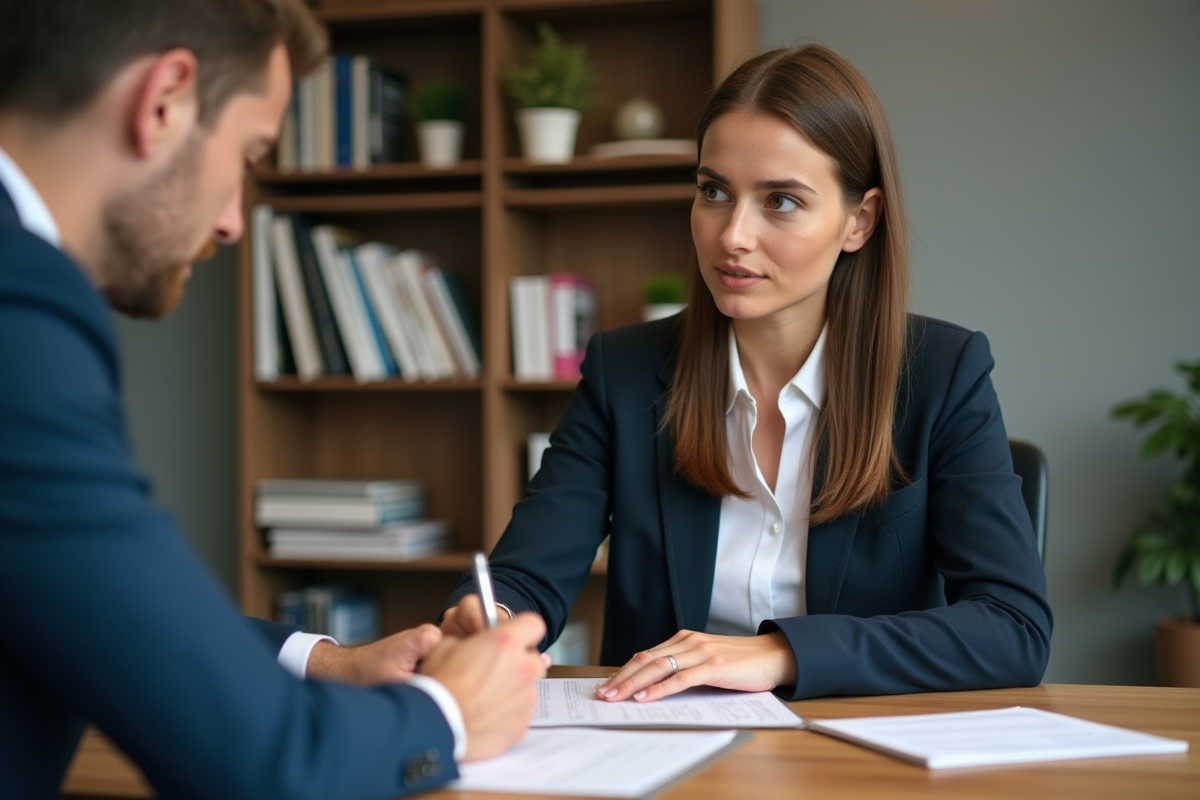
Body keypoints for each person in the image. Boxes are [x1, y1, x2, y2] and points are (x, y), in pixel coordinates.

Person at [0, 2, 546, 798]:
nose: (231, 224)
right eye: (249, 154)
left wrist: (328, 663)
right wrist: (449, 714)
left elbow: (99, 602)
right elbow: (259, 765)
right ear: (164, 102)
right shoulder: (19, 300)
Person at [443, 44, 1052, 702]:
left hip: (851, 739)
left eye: (781, 201)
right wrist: (490, 617)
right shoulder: (625, 371)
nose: (732, 235)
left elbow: (1012, 626)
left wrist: (779, 653)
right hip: (657, 737)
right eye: (714, 192)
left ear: (859, 221)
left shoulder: (941, 373)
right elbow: (528, 574)